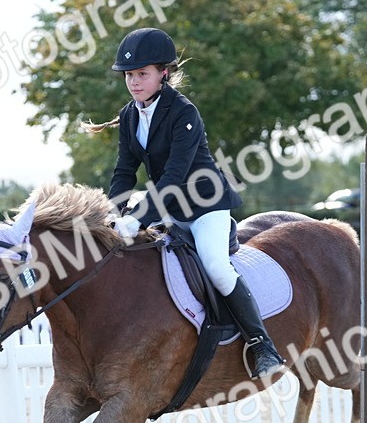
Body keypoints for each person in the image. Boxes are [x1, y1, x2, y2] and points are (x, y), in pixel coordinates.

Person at [88, 27, 283, 377]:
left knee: (215, 266)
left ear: (163, 73)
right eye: (129, 75)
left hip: (206, 207)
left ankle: (262, 345)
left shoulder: (183, 112)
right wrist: (115, 214)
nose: (134, 82)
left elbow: (175, 176)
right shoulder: (130, 115)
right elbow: (124, 172)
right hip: (172, 209)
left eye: (142, 74)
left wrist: (140, 216)